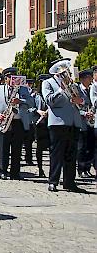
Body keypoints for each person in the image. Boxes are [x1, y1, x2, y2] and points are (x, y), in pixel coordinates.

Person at [42, 59, 86, 193]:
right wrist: (61, 90)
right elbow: (49, 101)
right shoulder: (48, 83)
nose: (65, 72)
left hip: (74, 122)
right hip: (58, 122)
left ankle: (69, 182)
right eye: (62, 70)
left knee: (72, 154)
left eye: (66, 70)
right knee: (56, 153)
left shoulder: (73, 84)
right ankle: (53, 181)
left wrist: (81, 100)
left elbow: (83, 99)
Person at [0, 67, 34, 180]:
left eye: (13, 77)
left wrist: (20, 101)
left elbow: (31, 102)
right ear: (5, 78)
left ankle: (15, 172)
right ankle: (3, 170)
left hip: (18, 121)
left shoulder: (23, 89)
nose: (11, 79)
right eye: (9, 77)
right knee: (3, 147)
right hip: (4, 121)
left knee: (17, 148)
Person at [76, 69, 94, 178]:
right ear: (83, 79)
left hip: (91, 122)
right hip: (81, 122)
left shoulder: (91, 90)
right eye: (89, 77)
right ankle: (81, 169)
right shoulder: (78, 90)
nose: (91, 79)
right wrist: (84, 113)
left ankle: (87, 169)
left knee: (90, 147)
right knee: (81, 148)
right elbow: (75, 106)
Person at [34, 74, 51, 178]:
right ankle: (40, 168)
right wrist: (38, 111)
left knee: (51, 148)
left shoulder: (48, 95)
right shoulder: (36, 96)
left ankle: (51, 170)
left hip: (50, 123)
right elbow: (30, 108)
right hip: (39, 124)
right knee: (39, 148)